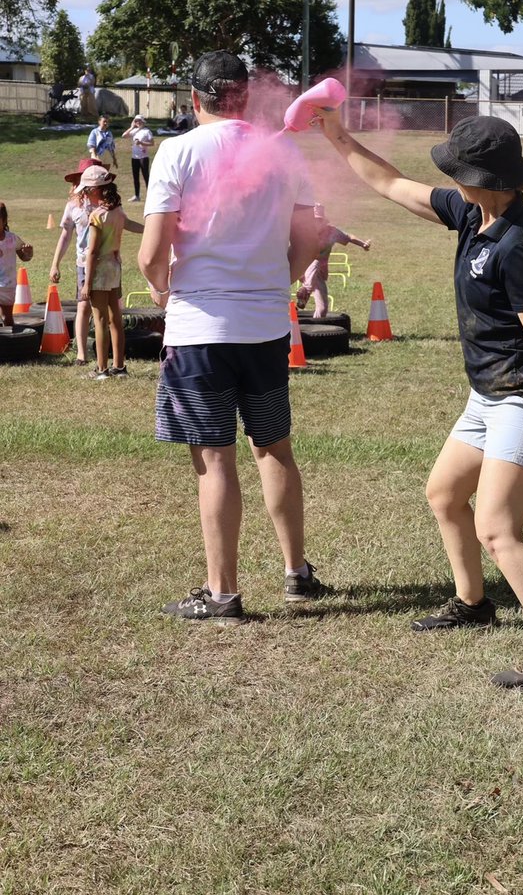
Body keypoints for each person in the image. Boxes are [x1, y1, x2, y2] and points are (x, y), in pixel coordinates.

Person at [318, 112, 523, 690]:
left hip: (519, 400)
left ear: (483, 177)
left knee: (497, 528)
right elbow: (390, 183)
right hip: (485, 396)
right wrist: (334, 134)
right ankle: (473, 602)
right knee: (443, 494)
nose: (449, 178)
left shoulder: (517, 245)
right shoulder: (471, 214)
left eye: (458, 170)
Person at [138, 49, 324, 621]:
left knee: (214, 461)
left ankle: (222, 594)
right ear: (245, 96)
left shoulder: (176, 151)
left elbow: (150, 255)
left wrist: (162, 289)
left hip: (198, 332)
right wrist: (281, 281)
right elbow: (312, 234)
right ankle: (297, 574)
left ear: (195, 99)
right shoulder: (283, 151)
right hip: (267, 329)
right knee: (275, 450)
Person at [75, 166, 142, 380]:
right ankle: (119, 367)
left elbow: (92, 251)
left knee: (100, 319)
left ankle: (102, 369)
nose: (84, 194)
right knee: (116, 318)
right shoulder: (117, 210)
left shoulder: (97, 216)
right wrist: (151, 228)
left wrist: (86, 284)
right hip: (115, 268)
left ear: (95, 190)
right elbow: (130, 224)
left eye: (86, 190)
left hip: (99, 271)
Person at [50, 157, 109, 365]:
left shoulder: (108, 203)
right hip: (84, 263)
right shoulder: (73, 207)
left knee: (109, 308)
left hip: (107, 262)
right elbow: (65, 235)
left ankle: (108, 351)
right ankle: (81, 353)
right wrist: (55, 263)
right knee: (83, 306)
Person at [296, 204, 372, 318]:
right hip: (303, 268)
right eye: (314, 220)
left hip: (320, 273)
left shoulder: (332, 232)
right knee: (315, 262)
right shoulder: (304, 230)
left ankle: (316, 326)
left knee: (323, 309)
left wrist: (363, 244)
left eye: (319, 220)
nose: (317, 223)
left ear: (324, 221)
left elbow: (349, 237)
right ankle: (305, 291)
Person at [0, 202, 33, 327]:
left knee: (7, 318)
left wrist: (29, 252)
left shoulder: (12, 239)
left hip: (8, 285)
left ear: (4, 221)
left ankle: (10, 343)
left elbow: (25, 257)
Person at [122, 116, 154, 202]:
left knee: (146, 176)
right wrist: (132, 127)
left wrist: (141, 143)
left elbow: (152, 143)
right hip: (134, 157)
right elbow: (124, 136)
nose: (138, 123)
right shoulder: (134, 131)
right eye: (136, 121)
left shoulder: (147, 131)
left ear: (143, 122)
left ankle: (150, 196)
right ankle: (137, 196)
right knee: (135, 177)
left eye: (139, 121)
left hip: (143, 157)